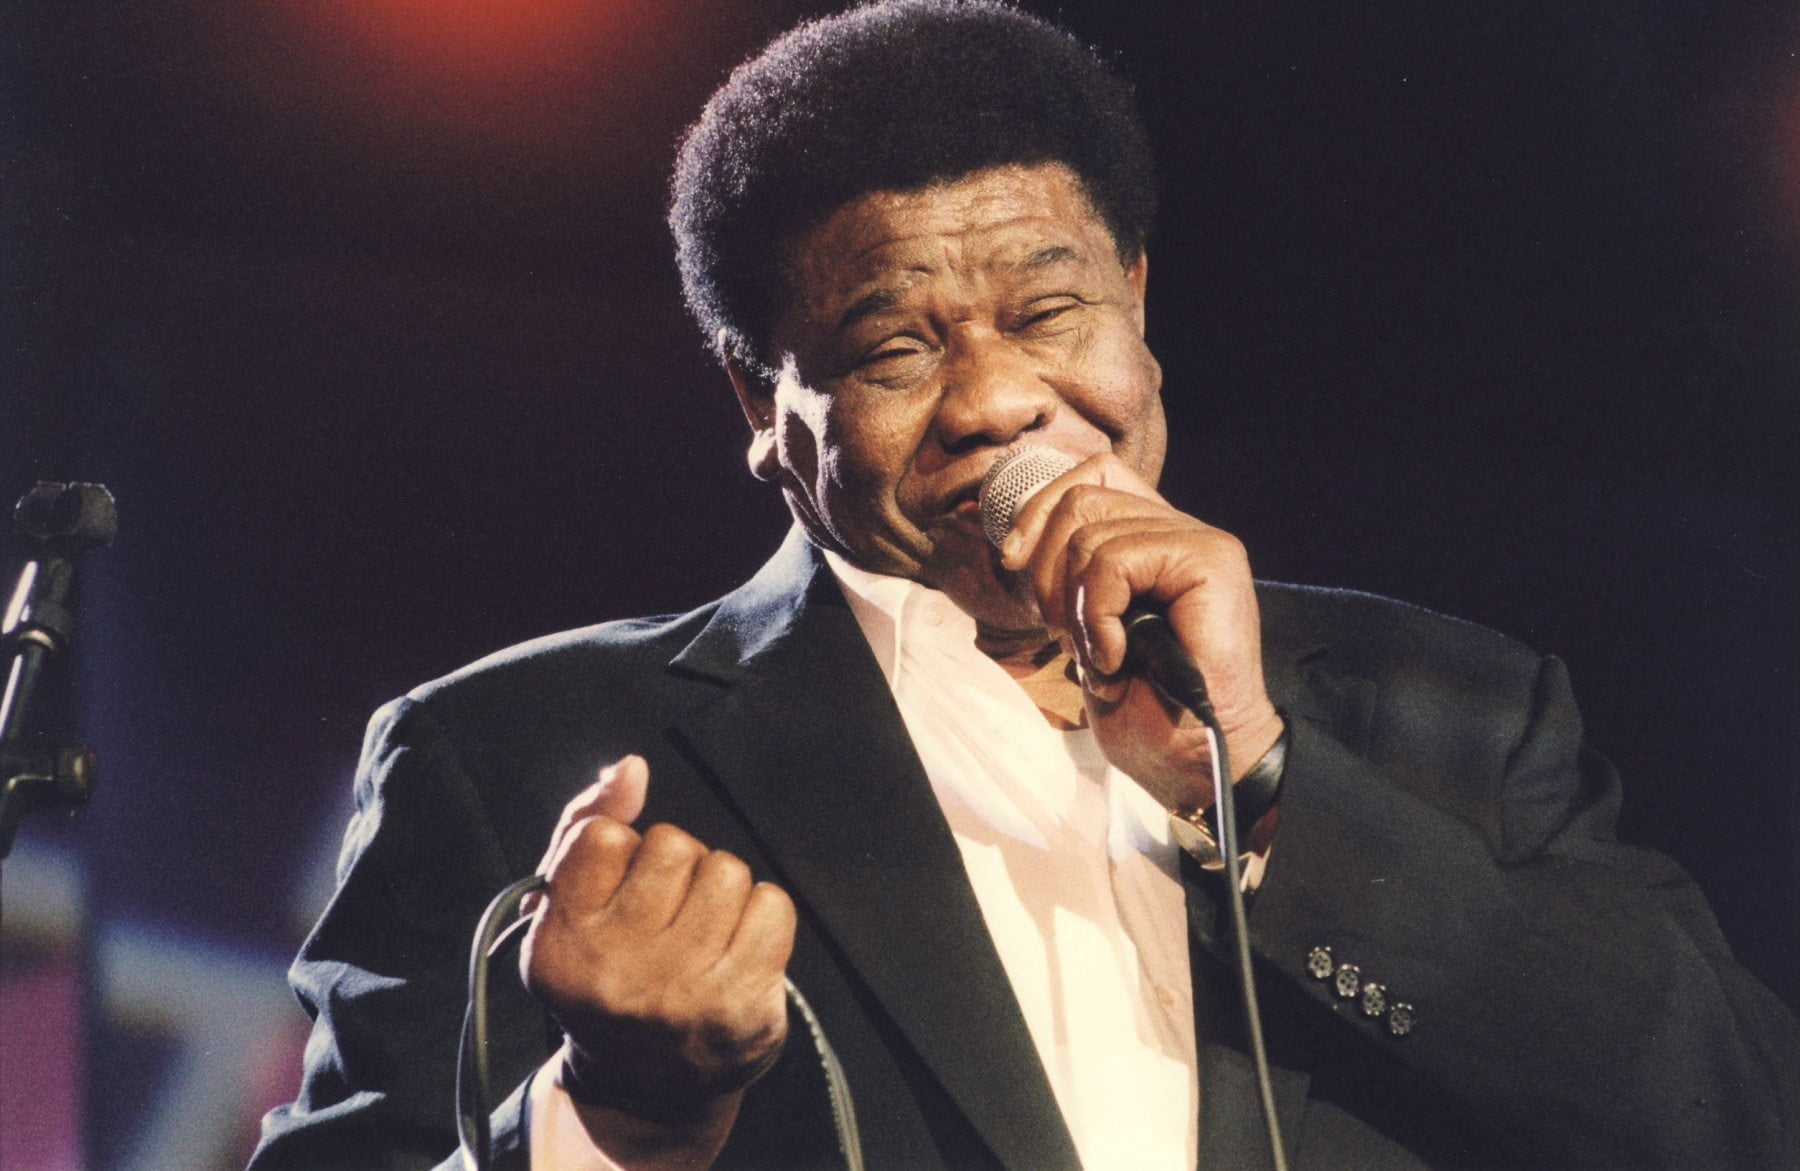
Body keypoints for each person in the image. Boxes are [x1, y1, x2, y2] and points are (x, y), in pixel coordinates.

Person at [251, 2, 1800, 1168]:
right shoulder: (515, 755)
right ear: (760, 402)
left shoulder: (1447, 712)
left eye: (1050, 313)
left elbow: (1736, 1120)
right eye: (895, 347)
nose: (997, 401)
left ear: (1136, 302)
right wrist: (613, 1121)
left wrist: (1269, 791)